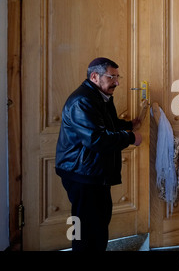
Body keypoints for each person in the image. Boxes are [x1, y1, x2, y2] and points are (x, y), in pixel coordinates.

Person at [55, 57, 143, 251]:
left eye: (118, 77)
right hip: (81, 174)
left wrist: (129, 125)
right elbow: (96, 139)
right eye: (112, 77)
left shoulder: (99, 96)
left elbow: (105, 124)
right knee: (86, 229)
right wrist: (130, 138)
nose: (117, 82)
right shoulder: (82, 101)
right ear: (95, 76)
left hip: (92, 172)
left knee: (98, 223)